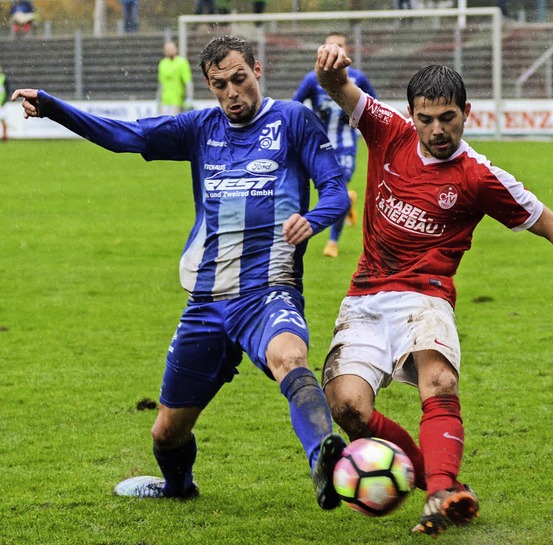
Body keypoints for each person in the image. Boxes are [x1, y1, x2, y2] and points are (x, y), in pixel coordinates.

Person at [12, 34, 351, 509]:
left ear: (258, 69)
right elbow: (124, 136)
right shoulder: (200, 128)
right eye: (219, 85)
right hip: (208, 301)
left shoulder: (294, 120)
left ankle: (325, 461)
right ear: (209, 86)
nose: (232, 92)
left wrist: (311, 220)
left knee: (289, 357)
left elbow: (336, 191)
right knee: (167, 433)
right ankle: (177, 487)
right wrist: (52, 107)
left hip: (267, 290)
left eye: (239, 78)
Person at [314, 44, 553, 536]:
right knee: (349, 410)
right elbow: (340, 88)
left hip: (427, 297)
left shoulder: (480, 176)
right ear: (411, 115)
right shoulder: (386, 130)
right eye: (427, 119)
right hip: (364, 300)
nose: (438, 130)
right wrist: (330, 66)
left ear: (467, 113)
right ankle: (442, 487)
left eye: (448, 117)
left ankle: (441, 489)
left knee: (438, 383)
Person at [292, 32, 376, 258]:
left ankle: (333, 242)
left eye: (339, 45)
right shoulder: (312, 79)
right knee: (332, 194)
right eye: (329, 46)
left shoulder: (358, 79)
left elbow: (375, 109)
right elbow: (294, 106)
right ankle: (348, 201)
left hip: (347, 145)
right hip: (321, 146)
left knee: (336, 192)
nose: (334, 49)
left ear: (346, 49)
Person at [157, 40, 193, 115]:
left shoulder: (182, 62)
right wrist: (158, 98)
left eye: (171, 48)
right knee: (163, 124)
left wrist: (189, 97)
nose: (169, 51)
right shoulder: (162, 63)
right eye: (167, 49)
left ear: (176, 49)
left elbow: (188, 81)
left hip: (177, 101)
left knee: (174, 124)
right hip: (165, 101)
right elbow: (161, 83)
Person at [0, 64, 9, 141]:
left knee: (3, 119)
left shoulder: (4, 78)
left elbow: (7, 91)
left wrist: (4, 101)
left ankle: (5, 136)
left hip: (1, 104)